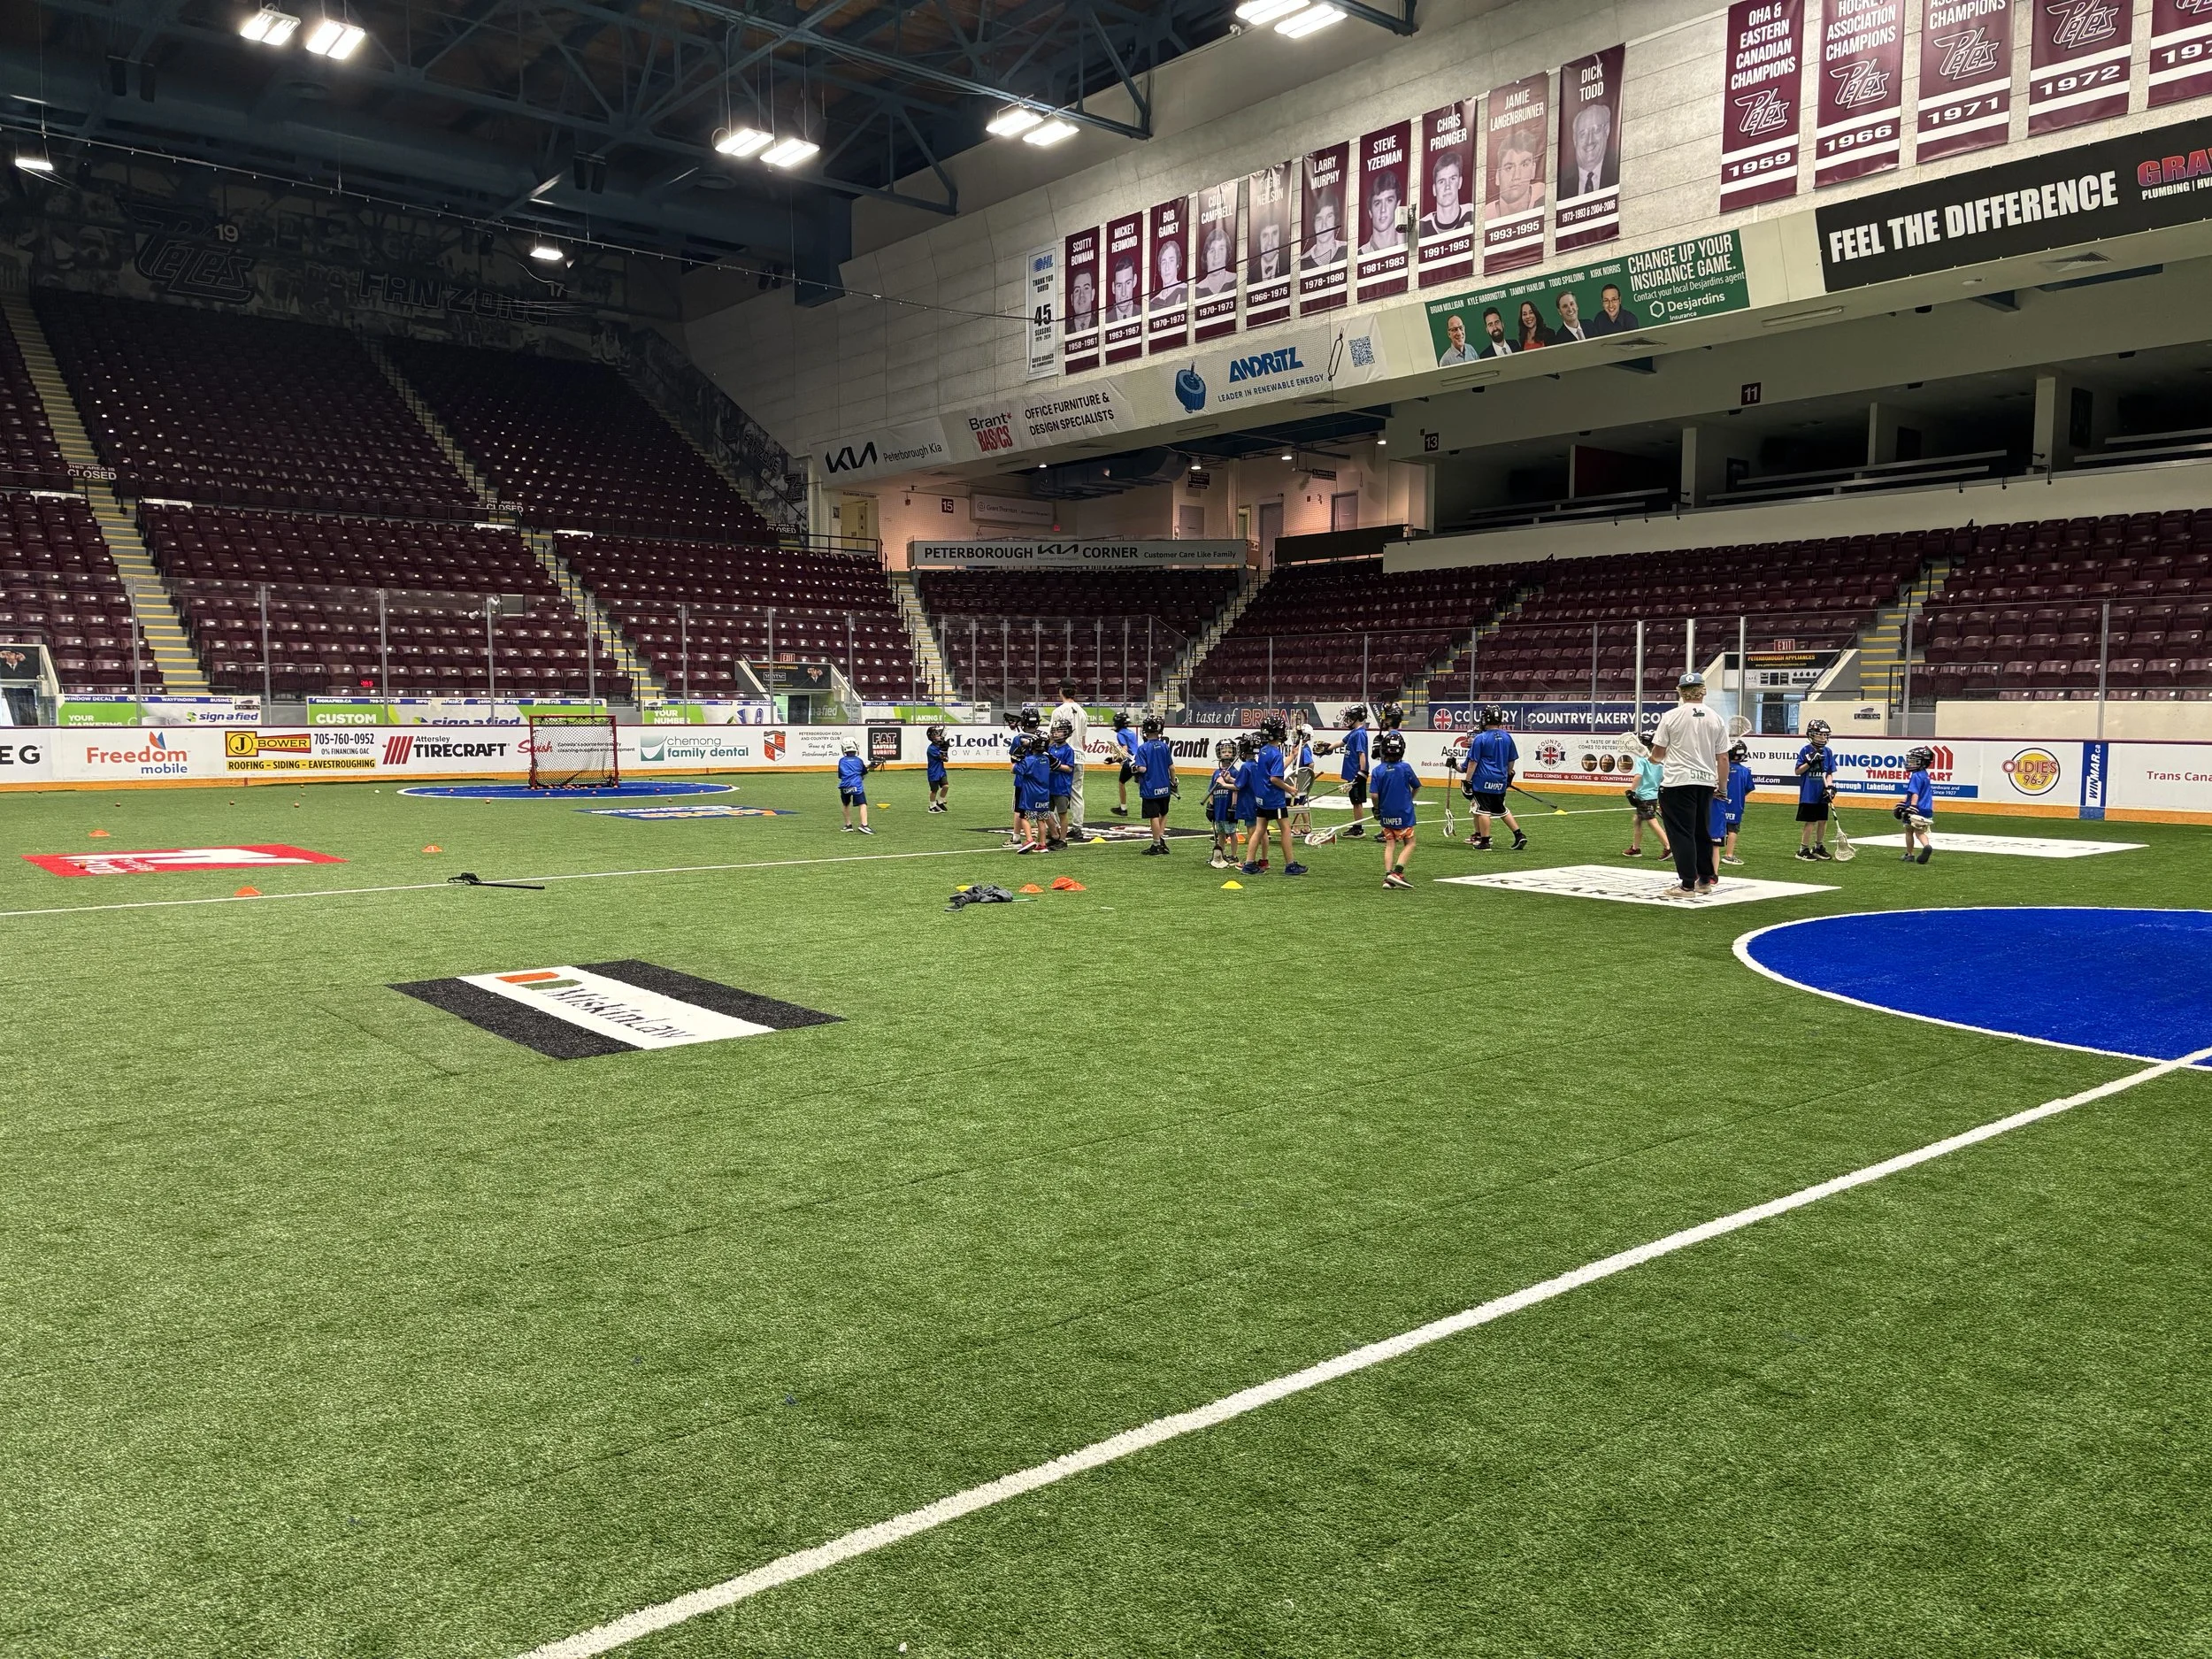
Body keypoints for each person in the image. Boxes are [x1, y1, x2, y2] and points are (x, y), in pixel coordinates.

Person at [1647, 672, 1734, 899]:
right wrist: (1722, 787)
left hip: (1677, 782)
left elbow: (1657, 754)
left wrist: (1652, 758)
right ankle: (1705, 879)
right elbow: (1723, 758)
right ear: (1703, 690)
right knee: (1701, 832)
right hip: (1705, 782)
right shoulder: (1716, 718)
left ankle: (1687, 884)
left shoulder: (1671, 716)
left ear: (1681, 692)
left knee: (1681, 834)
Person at [1240, 714, 1309, 876]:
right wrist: (1290, 789)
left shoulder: (1263, 751)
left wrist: (1291, 756)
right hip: (1273, 798)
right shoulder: (1276, 753)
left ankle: (1249, 863)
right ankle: (1290, 865)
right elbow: (1274, 778)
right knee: (1285, 829)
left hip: (1261, 797)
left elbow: (1273, 770)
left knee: (1259, 830)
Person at [1463, 706, 1528, 851]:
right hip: (1500, 779)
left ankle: (1485, 841)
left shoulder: (1480, 738)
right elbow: (1511, 760)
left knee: (1482, 810)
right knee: (1502, 809)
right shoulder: (1507, 737)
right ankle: (1519, 834)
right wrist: (1508, 775)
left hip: (1483, 779)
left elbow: (1473, 762)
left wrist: (1468, 781)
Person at [1371, 729, 1421, 890]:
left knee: (1390, 844)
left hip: (1386, 813)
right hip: (1404, 813)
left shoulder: (1378, 770)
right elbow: (1417, 786)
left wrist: (1377, 809)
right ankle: (1397, 872)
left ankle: (1387, 876)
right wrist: (1410, 799)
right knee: (1410, 842)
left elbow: (1374, 794)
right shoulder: (1405, 768)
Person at [1050, 681, 1090, 838]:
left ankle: (1055, 827)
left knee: (1054, 791)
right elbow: (1083, 738)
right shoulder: (1082, 711)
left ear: (1061, 691)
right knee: (1077, 793)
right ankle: (1077, 826)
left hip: (1061, 755)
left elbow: (1053, 736)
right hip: (1078, 755)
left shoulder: (1058, 711)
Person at [1794, 719, 1838, 861]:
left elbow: (1830, 772)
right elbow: (1798, 771)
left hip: (1822, 792)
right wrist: (1810, 761)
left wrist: (1830, 787)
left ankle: (1819, 846)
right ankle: (1803, 849)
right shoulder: (1806, 750)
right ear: (1812, 735)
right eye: (1820, 735)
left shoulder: (1828, 752)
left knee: (1823, 820)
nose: (1823, 738)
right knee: (1810, 822)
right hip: (1809, 793)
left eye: (1825, 735)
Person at [1133, 713, 1177, 854]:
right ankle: (1161, 839)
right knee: (1163, 813)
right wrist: (1173, 782)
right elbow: (1171, 767)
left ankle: (1156, 844)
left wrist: (1133, 767)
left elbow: (1143, 768)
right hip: (1165, 787)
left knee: (1153, 816)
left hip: (1150, 788)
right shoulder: (1164, 746)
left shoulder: (1143, 748)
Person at [1624, 732, 1669, 858]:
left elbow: (1638, 775)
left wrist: (1631, 791)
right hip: (1652, 795)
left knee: (1652, 821)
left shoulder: (1642, 759)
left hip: (1645, 796)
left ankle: (1668, 846)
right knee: (1637, 820)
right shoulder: (1660, 760)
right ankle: (1635, 848)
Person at [1562, 100, 1617, 200]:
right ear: (1575, 139)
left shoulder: (1616, 173)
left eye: (1596, 130)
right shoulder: (1563, 183)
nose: (1589, 140)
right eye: (1583, 134)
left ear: (1607, 130)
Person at [1485, 129, 1544, 219]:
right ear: (1497, 176)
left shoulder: (1544, 195)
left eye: (1524, 165)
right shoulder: (1486, 215)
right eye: (1509, 168)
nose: (1516, 176)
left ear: (1533, 169)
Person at [1014, 732, 1053, 853]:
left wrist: (1017, 758)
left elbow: (1014, 769)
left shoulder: (1029, 760)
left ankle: (1029, 839)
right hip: (1044, 794)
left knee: (1024, 816)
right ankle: (1042, 844)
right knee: (1041, 819)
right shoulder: (1046, 760)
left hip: (1030, 794)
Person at [1896, 744, 1936, 864]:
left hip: (1915, 808)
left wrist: (1911, 807)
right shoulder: (1925, 775)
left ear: (1921, 762)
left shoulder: (1915, 776)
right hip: (1927, 808)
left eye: (1913, 761)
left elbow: (1914, 793)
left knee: (1909, 831)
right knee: (1920, 832)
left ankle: (1910, 854)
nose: (1909, 763)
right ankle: (1926, 846)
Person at [1206, 738, 1242, 869]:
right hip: (1218, 808)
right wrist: (1211, 806)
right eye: (1224, 751)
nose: (1226, 754)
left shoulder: (1234, 772)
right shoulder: (1216, 773)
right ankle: (1220, 854)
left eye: (1229, 751)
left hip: (1228, 808)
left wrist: (1234, 806)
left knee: (1232, 833)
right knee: (1221, 833)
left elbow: (1237, 789)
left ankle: (1233, 855)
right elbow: (1211, 790)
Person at [1717, 738, 1753, 864]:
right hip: (1736, 806)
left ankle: (1711, 853)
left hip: (1719, 803)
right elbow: (1748, 789)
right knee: (1733, 830)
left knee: (1715, 828)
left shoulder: (1719, 767)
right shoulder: (1745, 771)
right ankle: (1729, 855)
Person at [1419, 151, 1471, 238]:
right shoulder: (1421, 227)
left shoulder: (1472, 213)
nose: (1447, 186)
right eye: (1442, 181)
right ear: (1434, 190)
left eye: (1452, 179)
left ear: (1460, 182)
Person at [1046, 718, 1079, 851]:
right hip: (1049, 785)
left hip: (1061, 787)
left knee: (1062, 814)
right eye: (1054, 731)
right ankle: (1054, 833)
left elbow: (1069, 768)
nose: (1056, 733)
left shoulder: (1068, 750)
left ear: (1066, 733)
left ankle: (1063, 840)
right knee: (1045, 812)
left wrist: (1057, 765)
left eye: (1059, 731)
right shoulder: (1051, 748)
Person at [837, 737, 876, 835]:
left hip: (844, 785)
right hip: (856, 785)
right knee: (863, 804)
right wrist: (871, 767)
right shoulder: (859, 761)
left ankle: (848, 825)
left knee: (846, 804)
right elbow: (863, 773)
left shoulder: (841, 761)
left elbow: (841, 775)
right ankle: (864, 825)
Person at [1360, 168, 1404, 254]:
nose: (1383, 209)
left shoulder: (1411, 245)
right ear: (1370, 212)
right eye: (1377, 203)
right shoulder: (1359, 255)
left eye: (1389, 200)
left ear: (1398, 204)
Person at [1302, 195, 1345, 269]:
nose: (1323, 225)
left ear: (1336, 220)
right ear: (1313, 223)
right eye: (1319, 219)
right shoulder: (1302, 262)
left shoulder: (1348, 248)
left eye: (1329, 216)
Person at [1195, 218, 1236, 296]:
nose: (1216, 256)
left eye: (1221, 249)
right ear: (1205, 257)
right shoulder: (1197, 289)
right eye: (1212, 250)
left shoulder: (1236, 280)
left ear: (1227, 253)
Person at [1111, 708, 1139, 815]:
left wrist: (1116, 759)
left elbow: (1125, 749)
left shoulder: (1120, 734)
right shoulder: (1131, 733)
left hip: (1129, 762)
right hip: (1138, 760)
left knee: (1121, 783)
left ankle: (1123, 809)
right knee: (1141, 784)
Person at [1151, 238, 1187, 309]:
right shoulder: (1152, 303)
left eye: (1171, 261)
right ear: (1160, 266)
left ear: (1177, 264)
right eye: (1164, 262)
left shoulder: (1187, 290)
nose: (1167, 268)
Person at [924, 723, 950, 812]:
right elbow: (941, 757)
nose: (939, 736)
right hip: (933, 772)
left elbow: (946, 759)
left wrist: (945, 748)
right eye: (936, 735)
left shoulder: (939, 746)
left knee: (946, 786)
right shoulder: (931, 749)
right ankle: (932, 806)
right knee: (934, 790)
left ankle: (940, 802)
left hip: (941, 771)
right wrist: (944, 749)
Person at [1253, 215, 1286, 282]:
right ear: (1258, 240)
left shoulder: (1287, 267)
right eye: (1265, 235)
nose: (1270, 242)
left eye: (1274, 233)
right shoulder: (1250, 274)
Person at [1107, 255, 1140, 322]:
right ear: (1113, 288)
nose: (1123, 293)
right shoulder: (1104, 321)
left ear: (1135, 281)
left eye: (1128, 283)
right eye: (1119, 285)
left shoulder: (1145, 312)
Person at [1066, 267, 1096, 334]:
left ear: (1093, 294)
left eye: (1086, 288)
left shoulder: (1101, 322)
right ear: (1072, 299)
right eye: (1077, 290)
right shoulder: (1063, 330)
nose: (1081, 295)